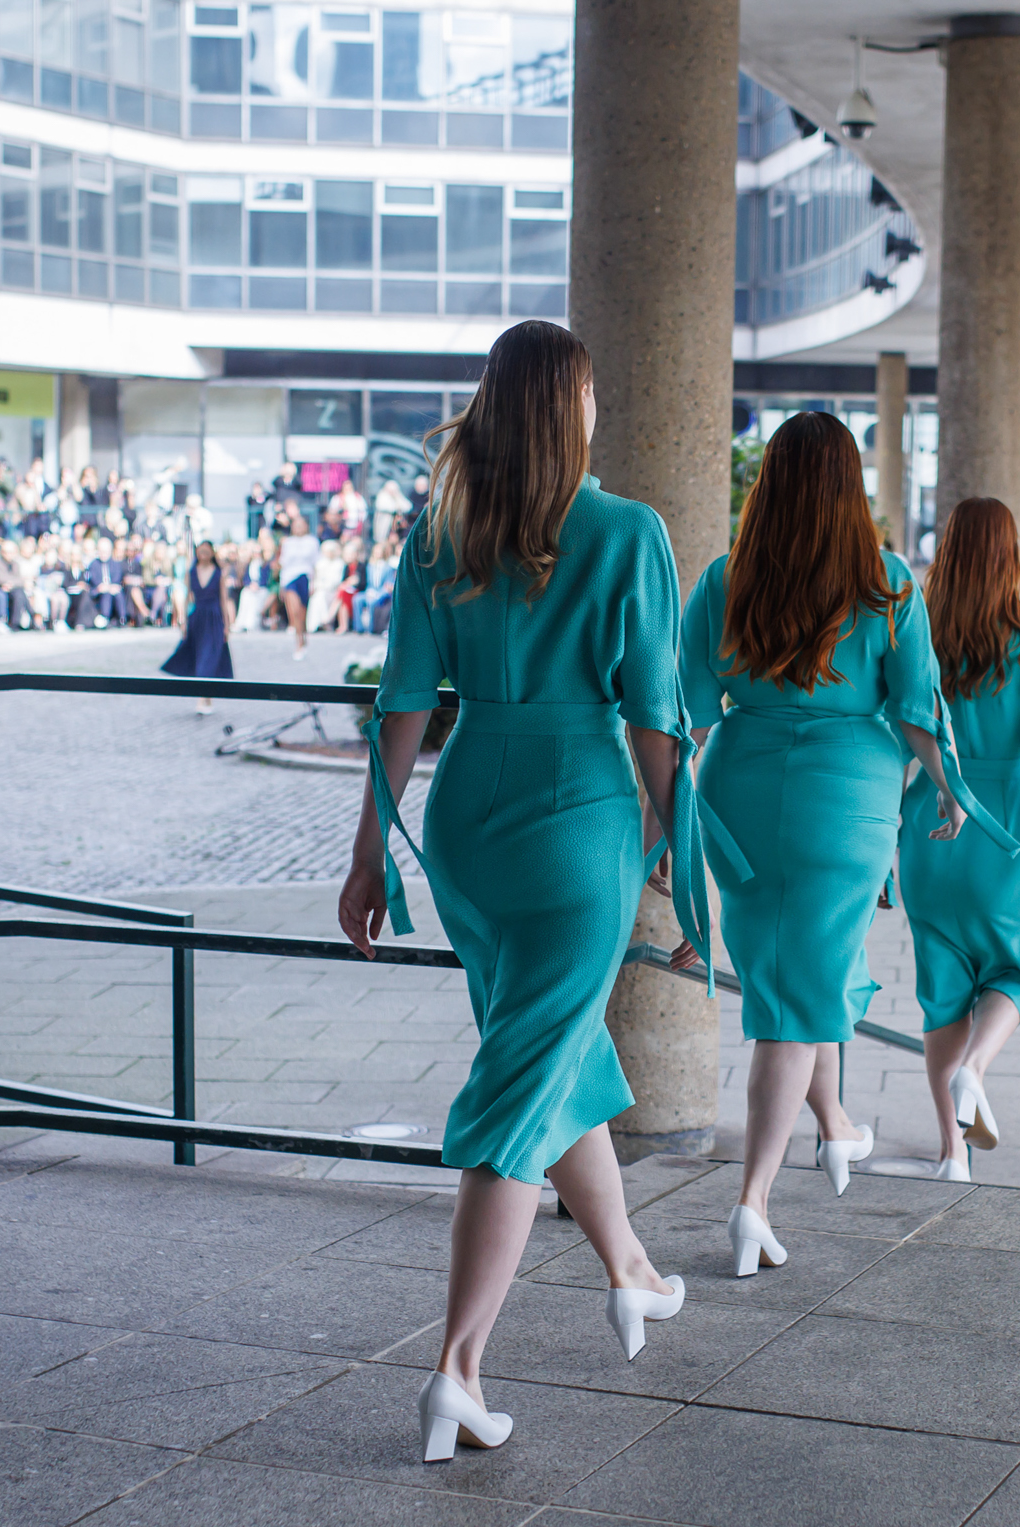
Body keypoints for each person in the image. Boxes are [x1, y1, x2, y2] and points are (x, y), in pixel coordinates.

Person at [336, 321, 702, 1458]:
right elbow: (656, 723)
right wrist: (689, 884)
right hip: (574, 825)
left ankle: (630, 1266)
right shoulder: (626, 531)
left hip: (466, 828)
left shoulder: (442, 533)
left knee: (551, 1052)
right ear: (570, 404)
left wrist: (367, 853)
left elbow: (401, 704)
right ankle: (456, 1366)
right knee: (517, 1091)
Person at [680, 410, 1005, 1277]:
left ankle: (834, 1125)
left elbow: (686, 713)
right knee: (797, 996)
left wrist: (665, 823)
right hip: (850, 800)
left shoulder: (723, 580)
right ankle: (751, 1200)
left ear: (770, 486)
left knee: (801, 973)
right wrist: (949, 786)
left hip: (742, 794)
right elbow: (916, 706)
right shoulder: (888, 584)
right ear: (849, 488)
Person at [886, 498, 1020, 1180]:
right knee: (1017, 974)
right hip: (1009, 834)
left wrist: (885, 849)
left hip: (931, 833)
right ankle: (976, 1069)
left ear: (947, 556)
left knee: (943, 995)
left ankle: (952, 1156)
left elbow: (897, 747)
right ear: (1012, 558)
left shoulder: (919, 637)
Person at [162, 541, 236, 712]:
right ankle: (205, 698)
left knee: (209, 658)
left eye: (206, 551)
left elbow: (223, 600)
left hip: (214, 618)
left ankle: (203, 699)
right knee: (200, 656)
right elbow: (187, 597)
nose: (203, 554)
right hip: (198, 619)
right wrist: (183, 621)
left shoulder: (218, 574)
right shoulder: (191, 573)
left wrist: (226, 624)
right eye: (200, 551)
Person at [277, 506, 318, 658]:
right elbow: (284, 563)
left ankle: (303, 637)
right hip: (290, 578)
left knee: (302, 612)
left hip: (305, 577)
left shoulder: (312, 542)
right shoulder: (288, 542)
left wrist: (314, 583)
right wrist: (282, 584)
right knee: (294, 611)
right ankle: (298, 643)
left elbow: (315, 564)